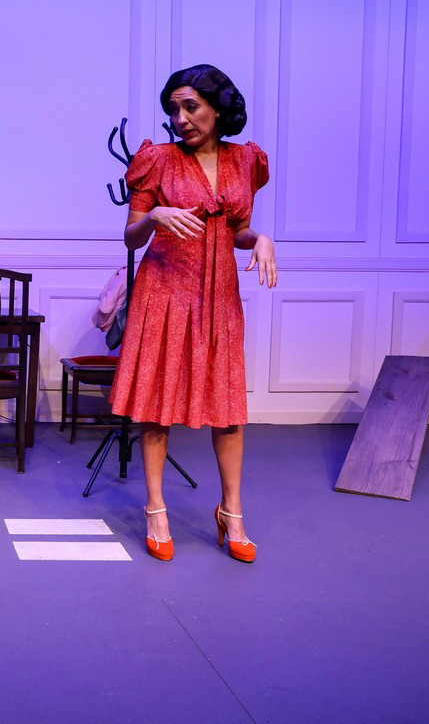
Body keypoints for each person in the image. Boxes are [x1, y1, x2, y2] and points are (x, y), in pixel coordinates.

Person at [108, 64, 277, 563]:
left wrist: (261, 238)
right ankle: (156, 510)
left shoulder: (245, 160)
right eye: (174, 109)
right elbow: (130, 236)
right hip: (163, 294)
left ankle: (232, 512)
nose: (180, 118)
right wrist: (153, 216)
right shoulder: (157, 160)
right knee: (156, 406)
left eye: (191, 107)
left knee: (228, 409)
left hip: (219, 297)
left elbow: (237, 229)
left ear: (218, 108)